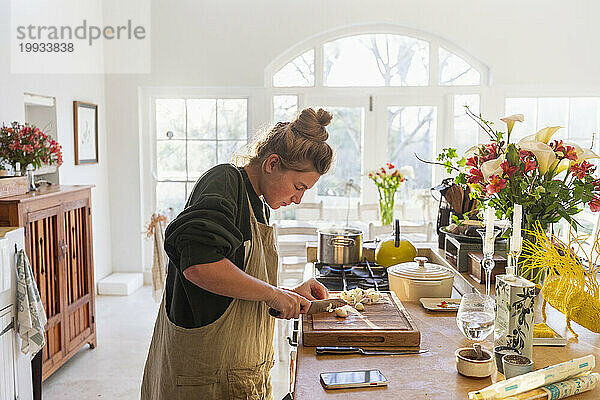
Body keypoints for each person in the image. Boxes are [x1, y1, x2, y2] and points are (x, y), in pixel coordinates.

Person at [141, 108, 335, 399]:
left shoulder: (257, 203)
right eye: (298, 187)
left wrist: (287, 293)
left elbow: (238, 280)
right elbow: (199, 266)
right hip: (204, 379)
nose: (298, 199)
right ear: (272, 163)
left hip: (239, 375)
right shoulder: (224, 182)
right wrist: (272, 293)